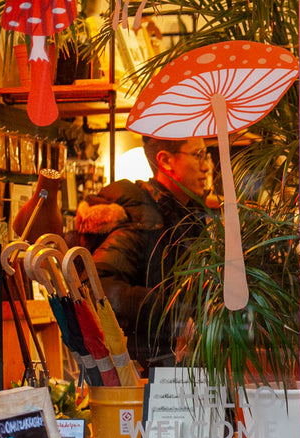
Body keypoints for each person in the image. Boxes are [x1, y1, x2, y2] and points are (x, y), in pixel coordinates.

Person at [71, 136, 213, 371]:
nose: (207, 165)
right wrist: (173, 317)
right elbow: (98, 286)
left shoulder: (188, 217)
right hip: (145, 374)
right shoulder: (142, 218)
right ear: (166, 161)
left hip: (179, 370)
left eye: (205, 155)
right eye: (198, 155)